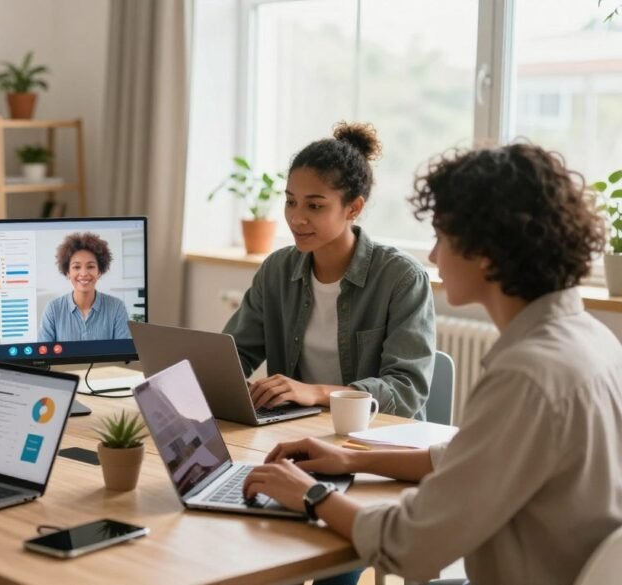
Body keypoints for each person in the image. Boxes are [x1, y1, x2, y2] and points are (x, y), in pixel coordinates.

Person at [243, 143, 622, 585]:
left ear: (485, 250)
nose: (433, 256)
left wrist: (309, 494)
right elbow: (470, 458)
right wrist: (349, 459)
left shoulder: (527, 376)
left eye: (441, 236)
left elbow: (408, 543)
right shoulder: (592, 339)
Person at [223, 122, 435, 419]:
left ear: (353, 208)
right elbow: (234, 355)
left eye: (315, 206)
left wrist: (317, 393)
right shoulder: (277, 270)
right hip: (297, 432)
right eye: (291, 202)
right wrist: (228, 385)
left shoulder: (401, 278)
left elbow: (405, 391)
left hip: (376, 439)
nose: (296, 218)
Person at [38, 232, 131, 342]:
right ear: (67, 272)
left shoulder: (116, 308)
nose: (83, 273)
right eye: (76, 267)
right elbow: (44, 354)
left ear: (99, 271)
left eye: (90, 266)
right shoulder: (53, 309)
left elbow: (124, 355)